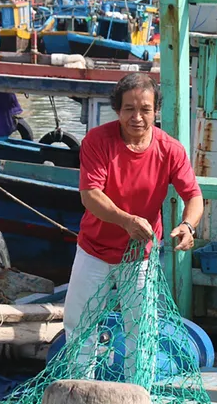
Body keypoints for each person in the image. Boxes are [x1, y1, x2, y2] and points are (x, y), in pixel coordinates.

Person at [62, 72, 203, 372]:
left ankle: (137, 403)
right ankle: (78, 395)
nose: (137, 117)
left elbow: (194, 196)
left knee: (141, 335)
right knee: (78, 327)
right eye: (129, 109)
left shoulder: (170, 149)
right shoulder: (98, 141)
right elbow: (90, 195)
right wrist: (126, 221)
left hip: (141, 256)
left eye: (145, 109)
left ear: (155, 111)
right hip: (94, 250)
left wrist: (188, 226)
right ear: (117, 110)